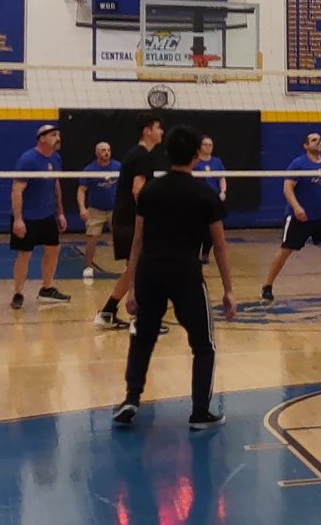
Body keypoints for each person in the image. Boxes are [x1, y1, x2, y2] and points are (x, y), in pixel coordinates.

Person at [112, 124, 236, 431]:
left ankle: (131, 398)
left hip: (151, 273)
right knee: (203, 345)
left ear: (167, 154)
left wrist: (132, 290)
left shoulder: (150, 191)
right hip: (186, 275)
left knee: (143, 339)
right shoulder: (206, 195)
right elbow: (219, 246)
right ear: (197, 156)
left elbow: (137, 241)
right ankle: (199, 413)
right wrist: (229, 290)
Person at [95, 113, 169, 333]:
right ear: (147, 131)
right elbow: (138, 190)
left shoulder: (137, 154)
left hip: (125, 219)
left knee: (134, 269)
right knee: (140, 269)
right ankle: (140, 319)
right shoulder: (141, 156)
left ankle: (108, 312)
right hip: (132, 221)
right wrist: (149, 217)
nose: (161, 132)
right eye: (158, 128)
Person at [261, 133, 321, 302]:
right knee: (286, 250)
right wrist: (297, 207)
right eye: (314, 140)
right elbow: (287, 188)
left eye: (320, 139)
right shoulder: (299, 163)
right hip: (298, 216)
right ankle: (267, 285)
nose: (318, 141)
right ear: (306, 145)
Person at [9, 125, 71, 309]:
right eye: (53, 135)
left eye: (58, 134)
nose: (58, 137)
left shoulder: (55, 157)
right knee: (25, 254)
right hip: (28, 217)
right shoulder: (28, 160)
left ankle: (47, 288)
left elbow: (56, 185)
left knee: (53, 249)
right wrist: (18, 219)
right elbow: (16, 190)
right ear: (42, 138)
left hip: (46, 215)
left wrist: (60, 212)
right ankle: (18, 293)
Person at [77, 142, 121, 278]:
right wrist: (82, 208)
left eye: (108, 150)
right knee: (92, 238)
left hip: (115, 209)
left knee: (122, 237)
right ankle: (88, 267)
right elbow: (81, 190)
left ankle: (128, 267)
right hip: (95, 210)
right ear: (96, 153)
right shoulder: (89, 170)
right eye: (103, 150)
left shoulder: (118, 167)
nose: (106, 152)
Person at [196, 136, 227, 263]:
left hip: (213, 201)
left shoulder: (217, 162)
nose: (208, 147)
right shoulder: (195, 162)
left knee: (211, 230)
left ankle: (205, 254)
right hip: (198, 200)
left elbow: (222, 178)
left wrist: (223, 192)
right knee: (197, 228)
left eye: (210, 145)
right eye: (205, 144)